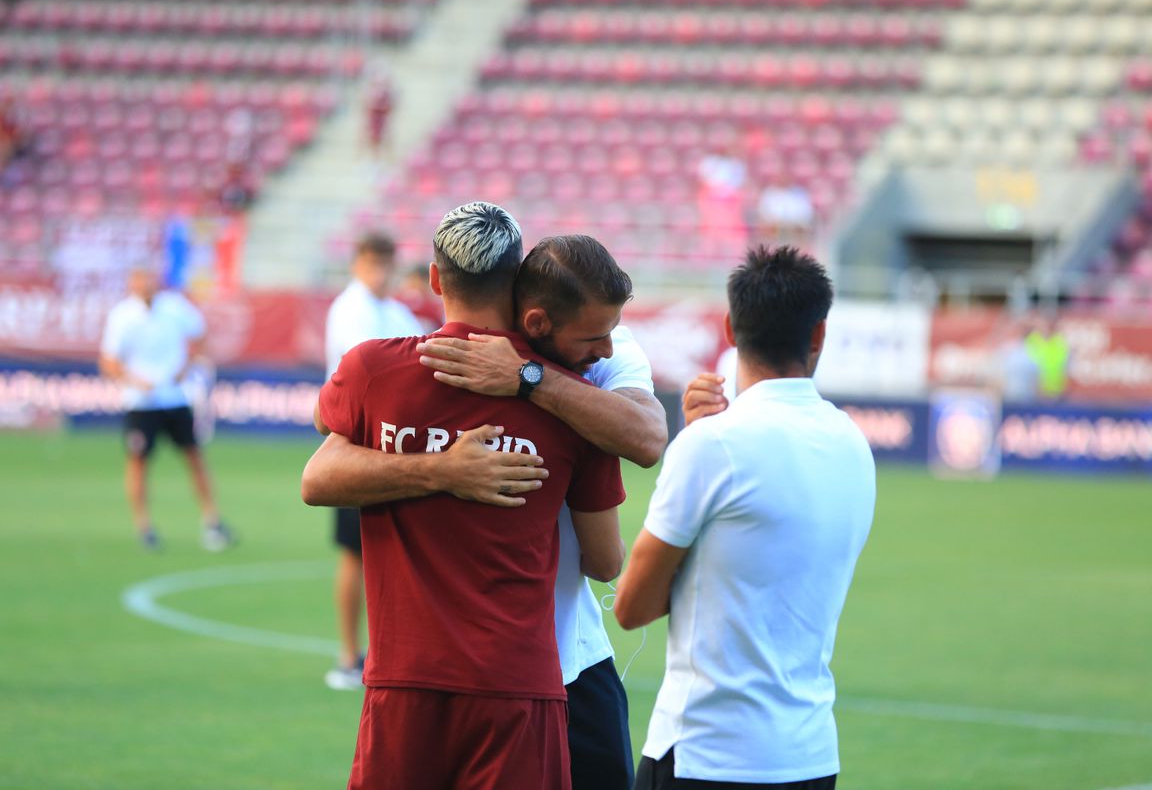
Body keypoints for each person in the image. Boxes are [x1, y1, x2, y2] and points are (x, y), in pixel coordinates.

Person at [304, 233, 667, 789]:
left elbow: (646, 437)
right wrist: (442, 468)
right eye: (594, 339)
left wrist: (529, 379)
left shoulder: (594, 364)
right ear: (538, 317)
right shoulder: (418, 363)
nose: (607, 350)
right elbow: (322, 461)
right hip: (481, 673)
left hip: (561, 660)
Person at [615, 245, 876, 790]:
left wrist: (696, 443)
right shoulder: (854, 444)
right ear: (819, 336)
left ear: (730, 331)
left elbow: (632, 606)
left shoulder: (712, 445)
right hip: (809, 756)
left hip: (708, 755)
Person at [322, 232, 424, 691]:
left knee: (400, 554)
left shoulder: (396, 310)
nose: (383, 272)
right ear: (358, 264)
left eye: (388, 262)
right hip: (359, 444)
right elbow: (366, 371)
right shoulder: (350, 309)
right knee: (354, 553)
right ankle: (349, 654)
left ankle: (401, 653)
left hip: (397, 444)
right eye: (375, 263)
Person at [99, 267, 235, 552]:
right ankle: (144, 526)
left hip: (175, 398)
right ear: (131, 285)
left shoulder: (174, 308)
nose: (145, 287)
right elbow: (109, 362)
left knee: (194, 457)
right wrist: (135, 381)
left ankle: (212, 520)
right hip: (140, 403)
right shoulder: (122, 316)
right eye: (139, 282)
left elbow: (200, 336)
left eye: (148, 281)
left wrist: (186, 367)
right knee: (138, 463)